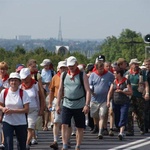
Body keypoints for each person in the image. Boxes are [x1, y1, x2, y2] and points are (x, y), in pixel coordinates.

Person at [56, 56, 91, 150]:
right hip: (67, 103)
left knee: (79, 127)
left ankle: (78, 145)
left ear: (76, 64)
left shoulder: (82, 75)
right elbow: (60, 90)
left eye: (72, 65)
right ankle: (64, 144)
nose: (71, 67)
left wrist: (87, 105)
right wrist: (57, 105)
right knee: (64, 124)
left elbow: (88, 90)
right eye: (69, 65)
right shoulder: (63, 75)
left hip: (80, 104)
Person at [0, 72, 30, 150]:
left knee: (21, 145)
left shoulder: (23, 93)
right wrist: (3, 109)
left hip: (21, 122)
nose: (13, 82)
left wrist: (13, 111)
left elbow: (26, 109)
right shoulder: (4, 92)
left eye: (16, 80)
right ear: (9, 82)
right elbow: (0, 105)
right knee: (8, 143)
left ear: (19, 82)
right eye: (12, 80)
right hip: (7, 121)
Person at [20, 68, 45, 150]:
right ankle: (23, 142)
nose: (24, 80)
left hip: (33, 110)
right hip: (22, 110)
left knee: (30, 127)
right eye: (22, 78)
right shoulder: (20, 86)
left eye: (25, 78)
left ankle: (26, 144)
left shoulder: (35, 84)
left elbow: (41, 97)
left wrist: (41, 109)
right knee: (23, 128)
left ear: (29, 76)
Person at [89, 61, 114, 139]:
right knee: (94, 115)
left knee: (102, 115)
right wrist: (91, 91)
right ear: (96, 68)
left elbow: (112, 84)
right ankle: (97, 126)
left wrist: (110, 94)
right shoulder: (92, 75)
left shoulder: (109, 75)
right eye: (100, 69)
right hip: (94, 99)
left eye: (102, 68)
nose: (102, 70)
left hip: (104, 99)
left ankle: (101, 131)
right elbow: (89, 85)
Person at [125, 58, 149, 136]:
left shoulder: (142, 73)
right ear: (131, 65)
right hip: (130, 96)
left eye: (137, 64)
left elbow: (146, 84)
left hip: (139, 96)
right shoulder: (127, 73)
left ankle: (142, 128)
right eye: (134, 64)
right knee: (129, 112)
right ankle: (130, 130)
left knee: (140, 114)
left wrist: (147, 93)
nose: (136, 65)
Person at [107, 69, 132, 140]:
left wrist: (122, 92)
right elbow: (110, 92)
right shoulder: (114, 81)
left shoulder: (126, 81)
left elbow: (130, 92)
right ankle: (118, 127)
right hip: (115, 102)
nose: (114, 74)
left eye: (115, 73)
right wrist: (108, 101)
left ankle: (121, 133)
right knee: (117, 117)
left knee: (123, 116)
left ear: (119, 74)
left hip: (124, 102)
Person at [48, 61, 67, 150]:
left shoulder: (69, 77)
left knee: (66, 123)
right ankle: (55, 140)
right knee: (56, 121)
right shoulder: (55, 78)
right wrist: (50, 102)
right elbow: (51, 90)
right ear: (58, 69)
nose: (63, 69)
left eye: (64, 67)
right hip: (57, 100)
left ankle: (65, 141)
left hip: (67, 100)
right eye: (61, 68)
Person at [27, 59, 45, 144]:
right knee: (29, 123)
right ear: (28, 66)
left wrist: (42, 102)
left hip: (35, 97)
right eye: (33, 66)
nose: (34, 68)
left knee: (32, 122)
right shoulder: (24, 75)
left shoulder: (37, 75)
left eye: (35, 66)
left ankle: (33, 137)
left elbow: (40, 87)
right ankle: (31, 137)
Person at [40, 58, 55, 131]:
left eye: (47, 65)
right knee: (42, 108)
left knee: (48, 109)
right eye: (45, 65)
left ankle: (46, 124)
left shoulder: (52, 72)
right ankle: (42, 123)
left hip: (49, 91)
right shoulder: (40, 72)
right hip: (42, 91)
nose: (46, 67)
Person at [0, 61, 10, 149]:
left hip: (6, 102)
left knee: (4, 122)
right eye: (1, 69)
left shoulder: (9, 79)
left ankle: (3, 141)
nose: (2, 71)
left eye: (4, 69)